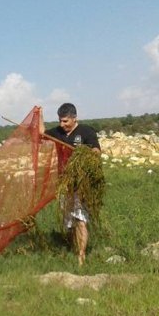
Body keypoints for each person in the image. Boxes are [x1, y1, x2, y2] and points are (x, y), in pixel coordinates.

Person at [41, 103, 101, 265]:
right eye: (60, 121)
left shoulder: (86, 131)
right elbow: (40, 134)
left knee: (81, 219)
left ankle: (81, 256)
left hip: (81, 184)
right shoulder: (57, 132)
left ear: (75, 118)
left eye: (66, 121)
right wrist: (38, 113)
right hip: (63, 184)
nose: (62, 124)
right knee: (69, 222)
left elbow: (96, 151)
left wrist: (84, 153)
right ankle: (72, 246)